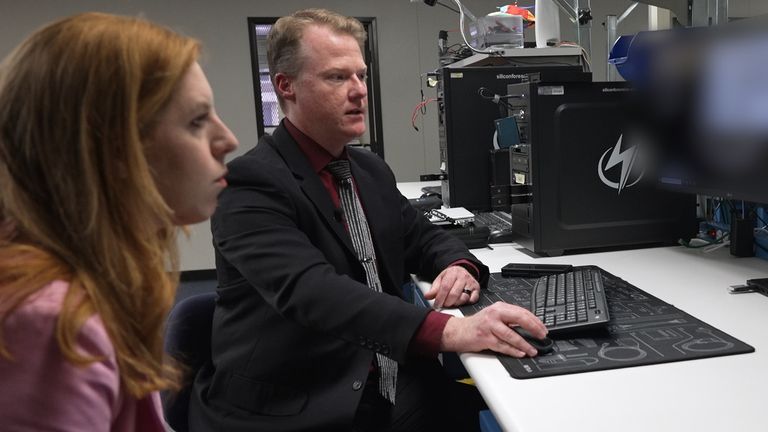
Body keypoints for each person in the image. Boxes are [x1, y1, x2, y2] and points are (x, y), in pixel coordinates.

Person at [191, 8, 546, 432]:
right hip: (300, 397)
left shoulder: (367, 169)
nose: (359, 90)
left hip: (386, 374)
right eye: (337, 77)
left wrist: (458, 265)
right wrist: (449, 333)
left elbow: (421, 237)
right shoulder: (250, 183)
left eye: (360, 75)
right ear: (285, 87)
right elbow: (312, 292)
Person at [0, 12, 238, 431]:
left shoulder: (88, 282)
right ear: (114, 148)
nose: (228, 140)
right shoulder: (50, 324)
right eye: (197, 121)